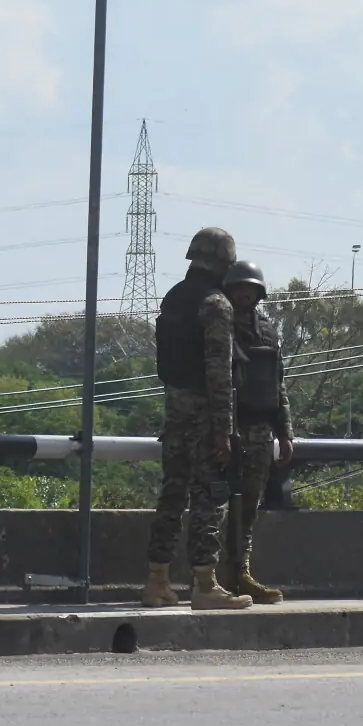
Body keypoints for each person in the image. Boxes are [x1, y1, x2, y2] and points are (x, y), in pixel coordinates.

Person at [142, 227, 251, 610]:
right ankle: (204, 585)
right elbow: (219, 373)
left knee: (171, 497)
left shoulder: (174, 298)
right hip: (205, 417)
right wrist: (223, 431)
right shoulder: (215, 304)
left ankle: (157, 582)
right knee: (208, 499)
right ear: (223, 262)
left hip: (174, 413)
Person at [221, 260, 293, 604]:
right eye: (238, 288)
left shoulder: (268, 332)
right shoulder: (219, 327)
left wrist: (286, 433)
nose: (243, 294)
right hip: (227, 430)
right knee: (219, 505)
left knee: (249, 507)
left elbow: (279, 385)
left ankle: (243, 574)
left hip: (261, 430)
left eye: (249, 289)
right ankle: (217, 576)